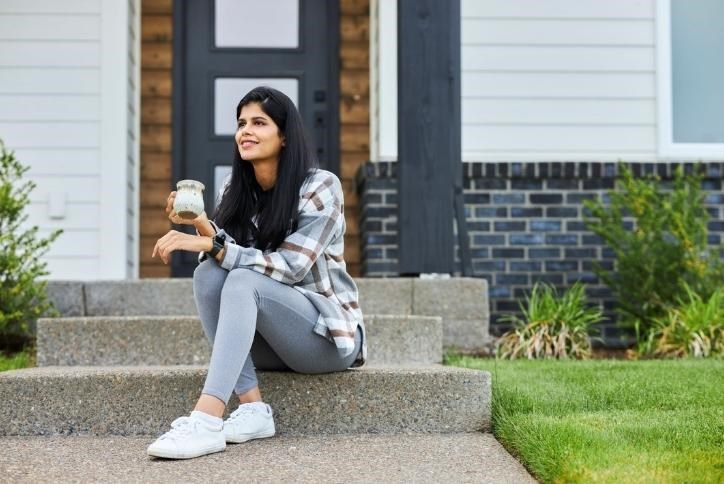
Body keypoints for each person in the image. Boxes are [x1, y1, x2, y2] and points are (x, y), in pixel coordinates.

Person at [146, 86, 367, 460]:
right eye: (241, 123)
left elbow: (292, 267)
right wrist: (202, 225)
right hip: (270, 342)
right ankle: (252, 407)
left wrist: (215, 246)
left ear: (284, 136)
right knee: (208, 276)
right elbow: (229, 255)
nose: (245, 130)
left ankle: (207, 419)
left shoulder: (320, 186)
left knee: (244, 278)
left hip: (326, 338)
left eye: (259, 122)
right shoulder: (236, 188)